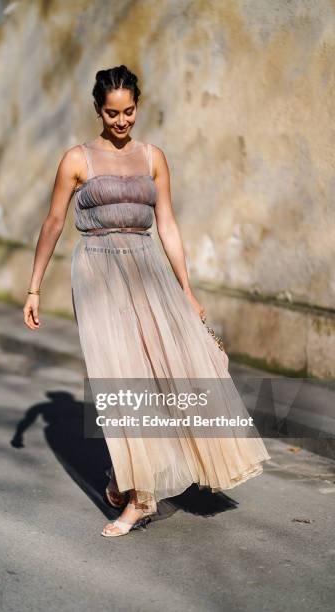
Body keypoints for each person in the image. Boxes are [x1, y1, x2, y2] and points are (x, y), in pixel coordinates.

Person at [23, 64, 271, 538]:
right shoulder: (76, 159)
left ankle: (126, 479)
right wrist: (34, 288)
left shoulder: (154, 157)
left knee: (164, 372)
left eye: (129, 111)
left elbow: (169, 227)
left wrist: (188, 290)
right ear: (98, 109)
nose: (122, 122)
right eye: (113, 113)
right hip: (96, 273)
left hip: (148, 268)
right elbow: (53, 222)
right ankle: (141, 499)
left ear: (138, 106)